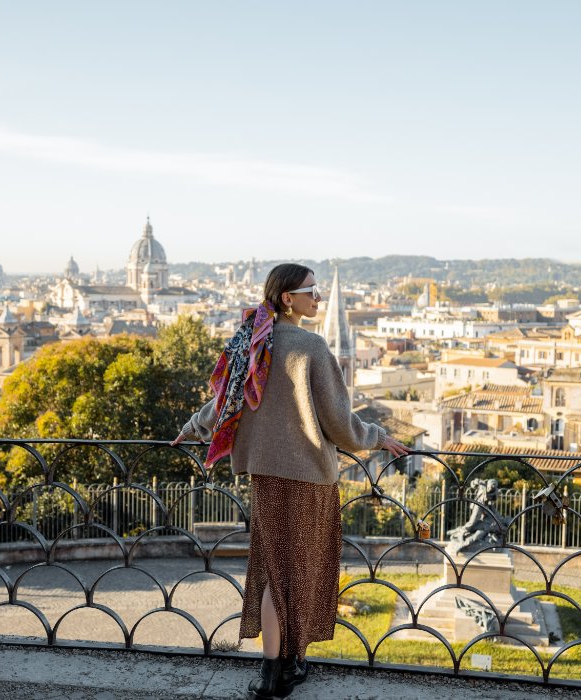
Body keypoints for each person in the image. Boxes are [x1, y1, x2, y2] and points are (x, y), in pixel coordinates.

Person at [172, 263, 409, 698]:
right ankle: (281, 670)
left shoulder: (251, 341)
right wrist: (377, 437)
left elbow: (225, 403)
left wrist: (192, 426)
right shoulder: (312, 348)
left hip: (265, 476)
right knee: (296, 573)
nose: (316, 299)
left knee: (274, 572)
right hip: (309, 479)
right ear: (288, 298)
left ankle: (276, 670)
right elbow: (339, 425)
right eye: (311, 292)